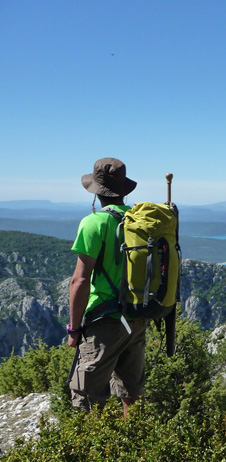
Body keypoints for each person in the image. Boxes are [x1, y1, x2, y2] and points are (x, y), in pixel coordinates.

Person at [67, 157, 148, 417]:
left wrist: (74, 329)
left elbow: (79, 281)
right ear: (124, 191)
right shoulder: (138, 222)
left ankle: (95, 450)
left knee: (86, 395)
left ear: (95, 193)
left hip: (105, 321)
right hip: (136, 316)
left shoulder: (93, 223)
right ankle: (134, 443)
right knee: (131, 392)